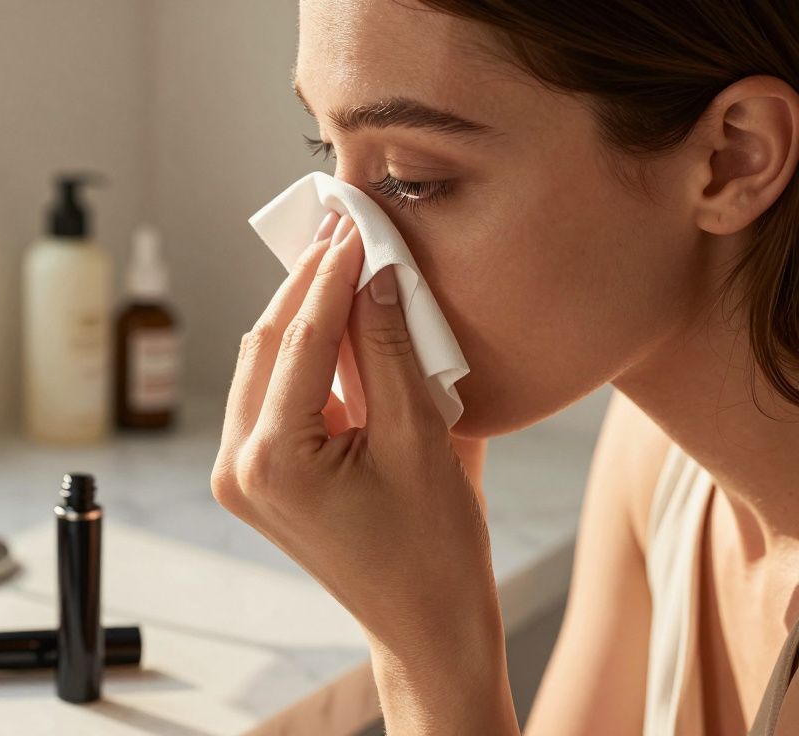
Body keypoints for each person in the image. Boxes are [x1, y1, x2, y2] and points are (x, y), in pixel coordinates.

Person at [210, 1, 799, 733]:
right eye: (326, 154)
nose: (343, 251)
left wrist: (425, 650)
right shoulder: (658, 459)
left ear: (733, 158)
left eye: (411, 177)